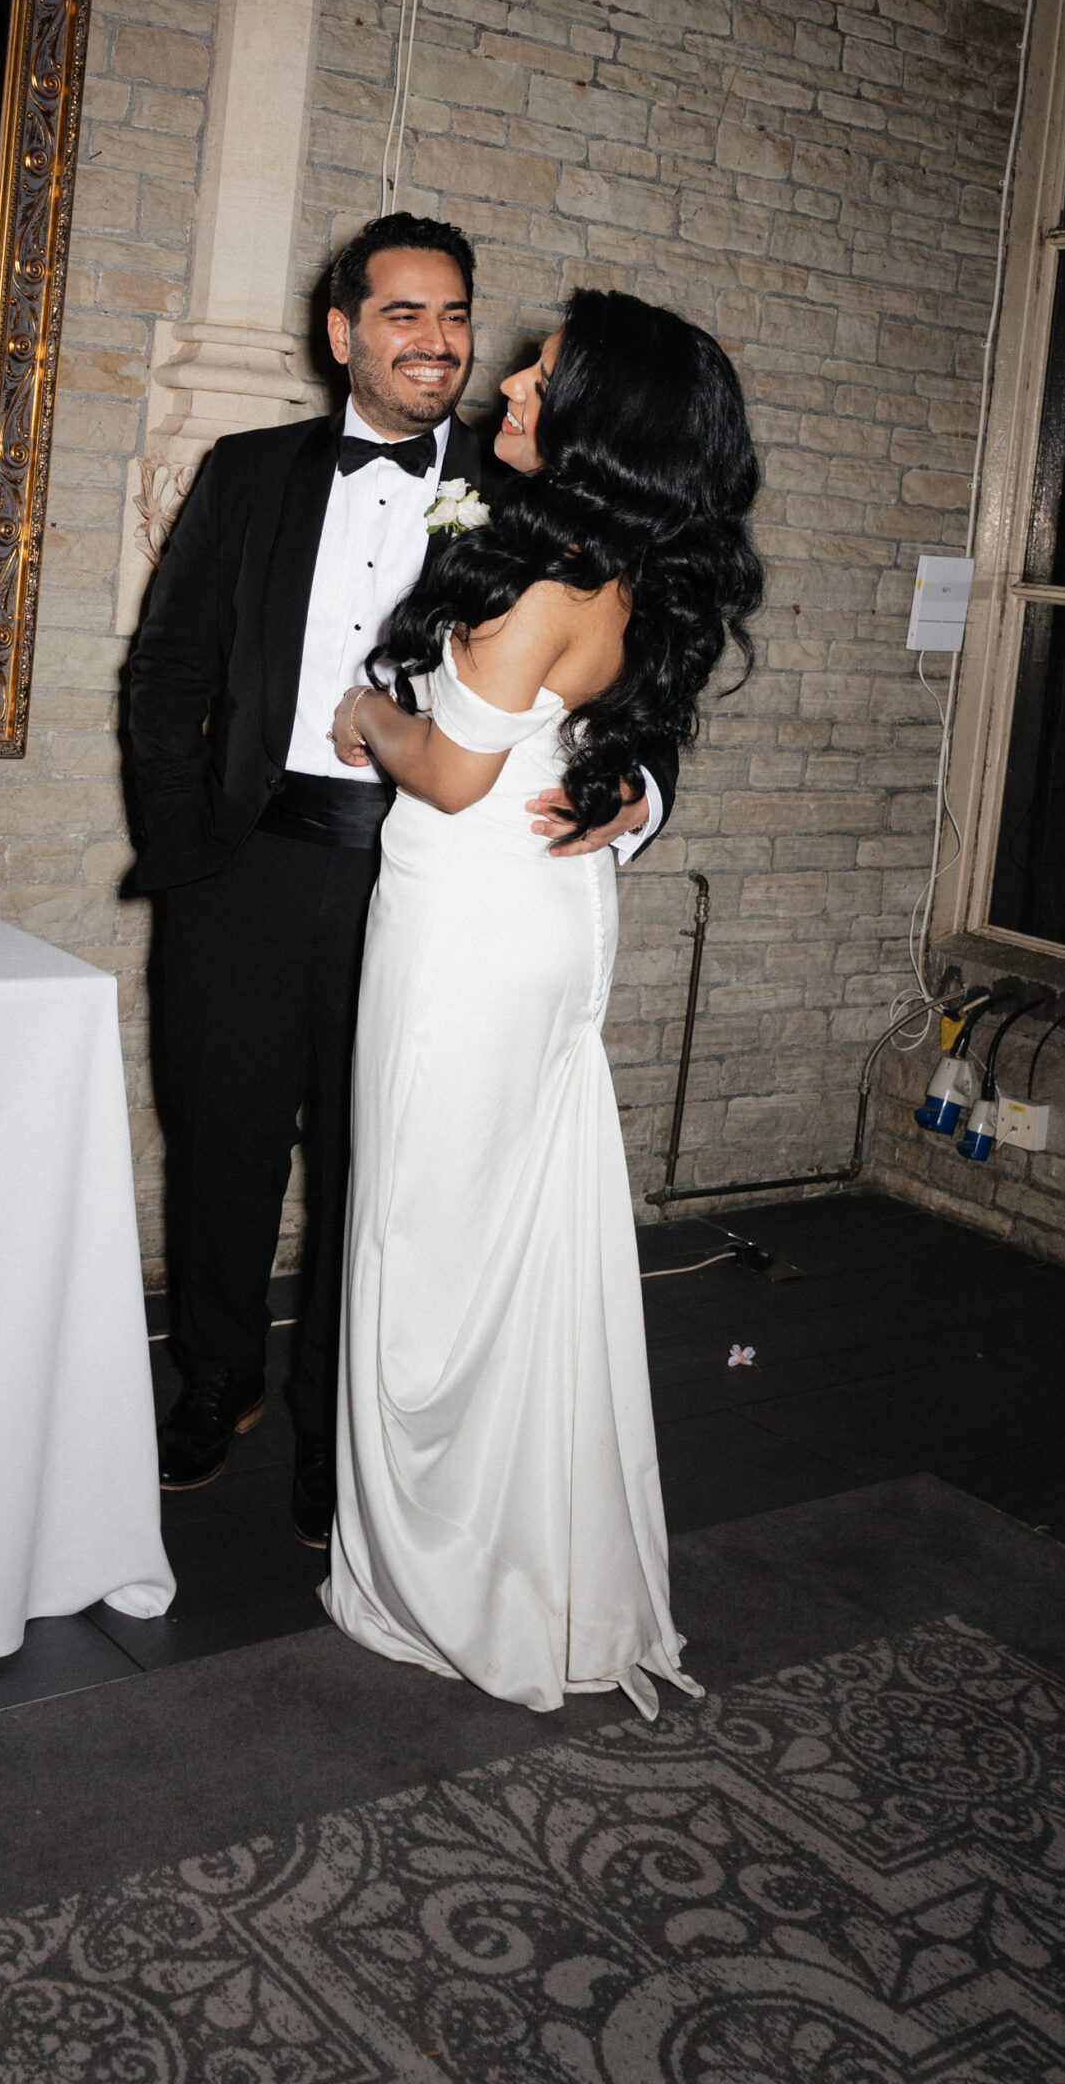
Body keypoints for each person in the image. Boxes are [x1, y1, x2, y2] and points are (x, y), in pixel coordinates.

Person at [125, 215, 681, 1552]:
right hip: (248, 869)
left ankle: (342, 1436)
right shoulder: (248, 473)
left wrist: (641, 793)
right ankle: (214, 1387)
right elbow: (167, 672)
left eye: (453, 317)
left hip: (425, 878)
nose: (436, 342)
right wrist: (185, 849)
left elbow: (634, 673)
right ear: (343, 332)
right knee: (223, 1142)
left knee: (382, 1167)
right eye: (403, 315)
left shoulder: (529, 490)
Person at [319, 287, 763, 1715]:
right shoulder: (612, 563)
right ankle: (507, 1543)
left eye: (541, 373)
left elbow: (449, 772)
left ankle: (443, 1567)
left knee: (427, 1233)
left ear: (600, 424)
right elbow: (549, 741)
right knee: (499, 1227)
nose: (506, 379)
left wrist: (367, 715)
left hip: (468, 931)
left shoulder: (545, 579)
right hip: (537, 923)